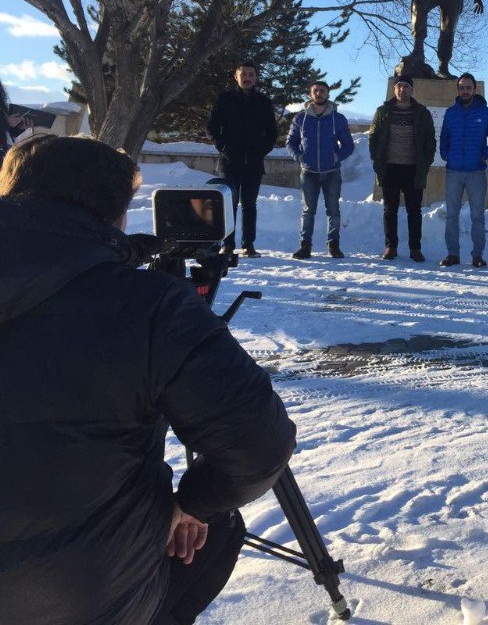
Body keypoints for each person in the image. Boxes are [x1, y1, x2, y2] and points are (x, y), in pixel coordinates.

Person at [0, 135, 296, 624]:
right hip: (87, 599)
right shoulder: (149, 306)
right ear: (115, 214)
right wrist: (192, 504)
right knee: (214, 530)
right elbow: (259, 446)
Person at [206, 61, 278, 257]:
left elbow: (272, 131)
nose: (247, 78)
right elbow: (211, 128)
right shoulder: (225, 99)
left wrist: (261, 150)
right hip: (230, 161)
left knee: (249, 205)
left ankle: (248, 244)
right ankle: (228, 244)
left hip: (254, 163)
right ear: (236, 76)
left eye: (251, 74)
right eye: (244, 74)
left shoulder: (263, 102)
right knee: (229, 205)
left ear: (256, 78)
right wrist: (223, 147)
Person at [369, 75, 437, 261]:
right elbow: (373, 138)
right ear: (394, 89)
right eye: (399, 86)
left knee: (414, 211)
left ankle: (415, 248)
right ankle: (391, 246)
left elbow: (430, 140)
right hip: (389, 168)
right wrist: (377, 160)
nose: (402, 90)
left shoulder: (422, 112)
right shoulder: (382, 111)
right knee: (390, 210)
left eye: (406, 86)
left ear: (412, 90)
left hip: (413, 169)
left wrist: (426, 162)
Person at [286, 81, 355, 259]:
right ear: (310, 94)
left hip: (331, 172)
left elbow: (348, 145)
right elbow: (291, 142)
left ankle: (333, 245)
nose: (319, 93)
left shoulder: (337, 119)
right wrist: (299, 157)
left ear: (328, 94)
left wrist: (336, 157)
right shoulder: (300, 118)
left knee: (333, 210)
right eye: (315, 91)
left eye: (322, 91)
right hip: (308, 172)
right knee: (308, 211)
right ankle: (305, 245)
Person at [439, 72, 488, 267]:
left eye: (468, 87)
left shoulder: (486, 113)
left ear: (474, 89)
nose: (465, 91)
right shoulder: (451, 112)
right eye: (461, 87)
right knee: (451, 215)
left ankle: (477, 255)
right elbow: (444, 137)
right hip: (454, 171)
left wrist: (486, 154)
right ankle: (453, 254)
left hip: (476, 171)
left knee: (477, 216)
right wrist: (445, 154)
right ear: (458, 90)